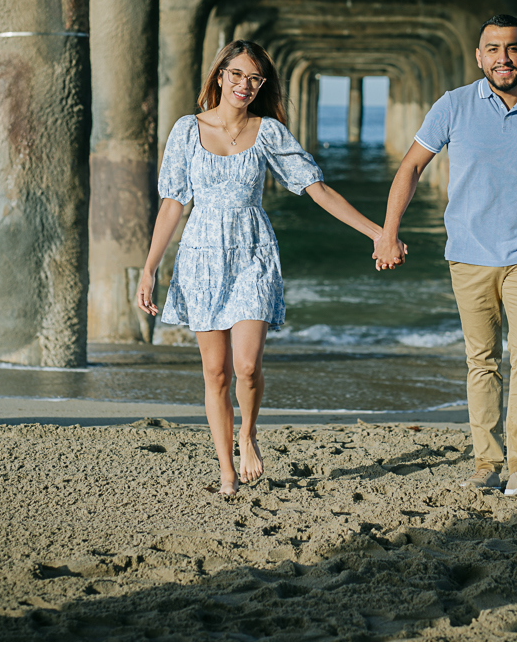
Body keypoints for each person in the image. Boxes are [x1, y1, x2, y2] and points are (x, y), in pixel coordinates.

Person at [137, 40, 398, 496]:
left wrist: (376, 232)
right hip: (201, 256)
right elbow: (173, 201)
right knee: (216, 372)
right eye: (237, 75)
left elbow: (317, 189)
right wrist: (150, 267)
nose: (245, 85)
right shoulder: (186, 130)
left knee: (247, 366)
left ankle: (248, 434)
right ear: (220, 75)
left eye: (255, 78)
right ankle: (225, 468)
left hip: (253, 254)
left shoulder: (269, 132)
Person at [372, 14, 517, 501]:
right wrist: (389, 232)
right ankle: (487, 461)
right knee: (482, 360)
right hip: (468, 255)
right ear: (479, 56)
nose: (503, 58)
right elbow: (410, 167)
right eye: (493, 49)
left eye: (513, 49)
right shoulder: (453, 106)